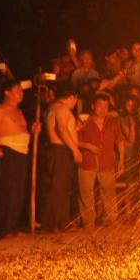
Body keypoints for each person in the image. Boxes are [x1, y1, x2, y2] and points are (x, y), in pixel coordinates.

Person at [0, 79, 37, 237]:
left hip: (21, 153)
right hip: (7, 152)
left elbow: (21, 130)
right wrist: (1, 154)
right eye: (18, 90)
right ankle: (0, 229)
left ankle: (12, 227)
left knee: (18, 192)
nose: (21, 93)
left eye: (21, 90)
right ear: (7, 92)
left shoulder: (19, 111)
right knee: (6, 191)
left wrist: (33, 130)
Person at [76, 93, 124, 229]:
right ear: (93, 106)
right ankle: (88, 222)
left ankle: (111, 219)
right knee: (86, 192)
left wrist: (121, 161)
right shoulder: (83, 121)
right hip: (87, 161)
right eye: (100, 106)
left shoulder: (113, 122)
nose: (103, 109)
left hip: (107, 161)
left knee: (109, 192)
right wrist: (87, 146)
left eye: (106, 106)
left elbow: (120, 141)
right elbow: (73, 140)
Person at [41, 85, 82, 232]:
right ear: (72, 97)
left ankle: (62, 222)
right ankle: (49, 224)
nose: (75, 103)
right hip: (61, 150)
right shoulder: (63, 109)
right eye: (75, 100)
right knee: (58, 187)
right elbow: (62, 129)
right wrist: (75, 150)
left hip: (55, 150)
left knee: (62, 186)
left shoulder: (52, 108)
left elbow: (63, 129)